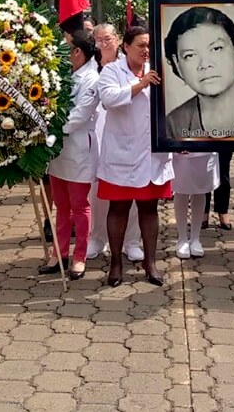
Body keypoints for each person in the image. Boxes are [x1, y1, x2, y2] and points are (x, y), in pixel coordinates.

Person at [97, 26, 174, 287]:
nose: (145, 50)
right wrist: (140, 85)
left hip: (152, 154)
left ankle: (150, 262)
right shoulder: (111, 71)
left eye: (149, 46)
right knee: (118, 208)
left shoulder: (160, 70)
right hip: (122, 152)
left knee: (149, 209)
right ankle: (116, 263)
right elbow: (108, 99)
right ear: (126, 46)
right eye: (140, 45)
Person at [42, 30, 101, 280]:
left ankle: (80, 257)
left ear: (77, 52)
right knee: (61, 205)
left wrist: (54, 128)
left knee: (79, 205)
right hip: (57, 150)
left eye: (67, 47)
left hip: (78, 149)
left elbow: (80, 114)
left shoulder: (92, 78)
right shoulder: (63, 73)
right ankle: (59, 252)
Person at [162, 6, 234, 141]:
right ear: (177, 64)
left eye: (216, 48)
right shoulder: (174, 124)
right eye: (190, 55)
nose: (205, 64)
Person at [87, 23, 143, 262]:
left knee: (129, 192)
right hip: (94, 135)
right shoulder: (89, 68)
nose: (103, 44)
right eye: (97, 40)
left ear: (119, 40)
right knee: (96, 191)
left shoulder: (129, 65)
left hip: (127, 136)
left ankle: (131, 241)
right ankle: (96, 238)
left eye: (107, 39)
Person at [173, 152, 218, 260]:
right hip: (181, 146)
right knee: (181, 188)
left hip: (204, 146)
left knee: (200, 189)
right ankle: (182, 239)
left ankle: (195, 238)